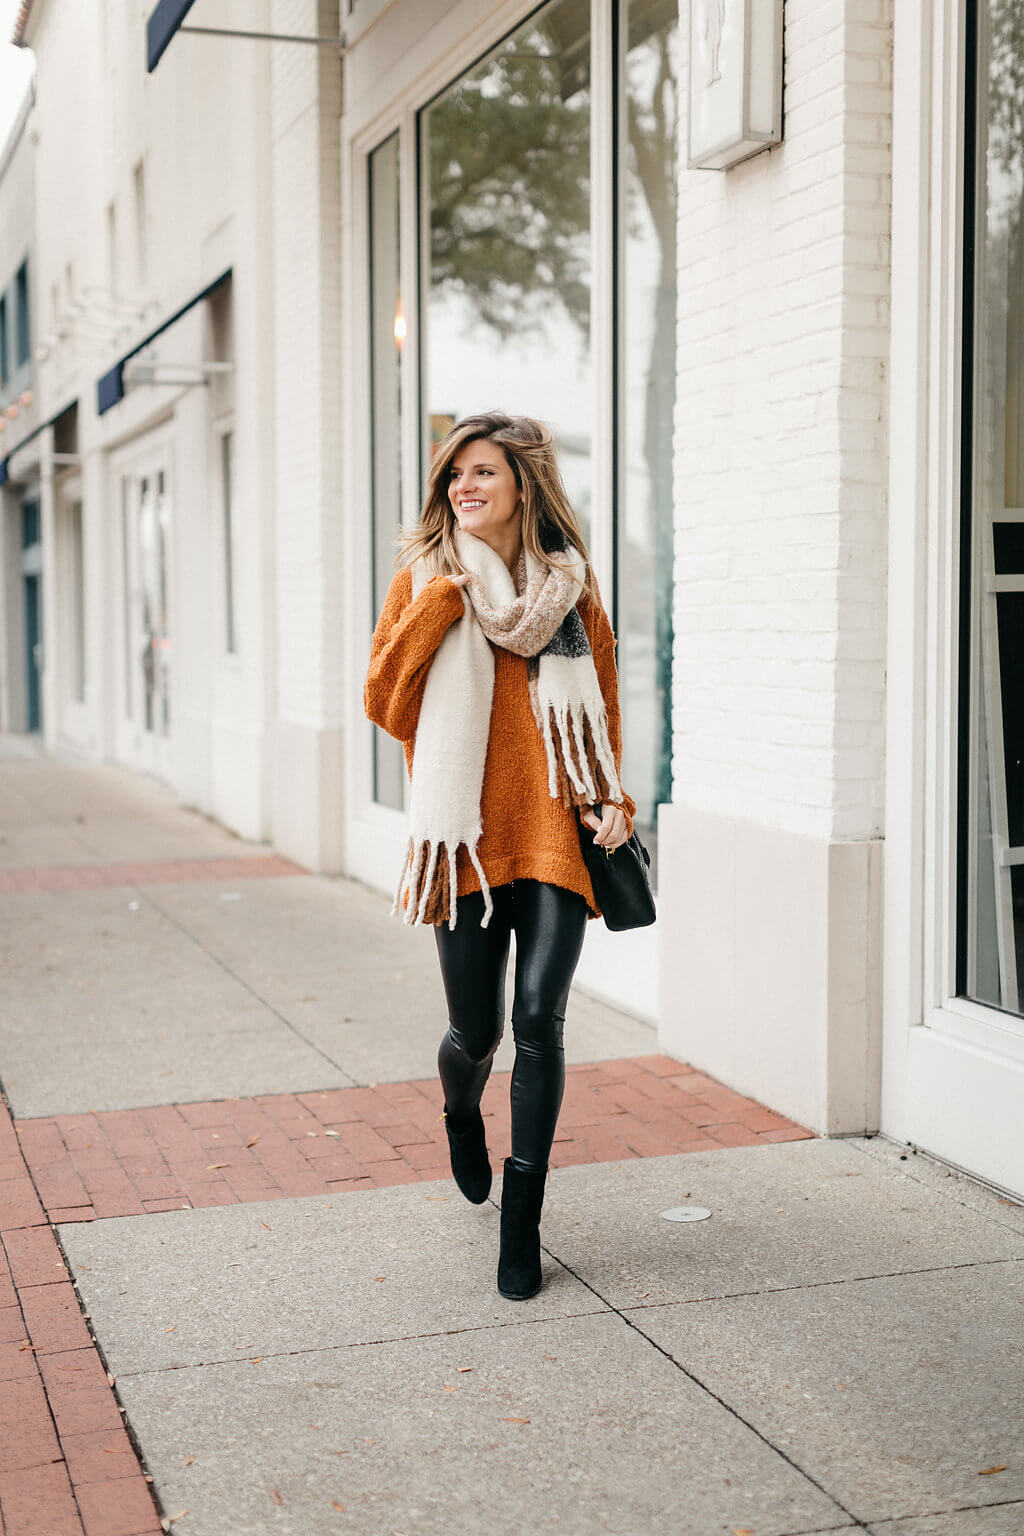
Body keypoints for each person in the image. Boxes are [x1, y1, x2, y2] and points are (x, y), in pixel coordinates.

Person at [363, 411, 636, 1300]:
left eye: (484, 473)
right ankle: (457, 1109)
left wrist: (615, 799)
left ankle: (522, 1234)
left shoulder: (570, 587)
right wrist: (442, 603)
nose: (465, 488)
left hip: (555, 833)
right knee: (477, 1033)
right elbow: (384, 699)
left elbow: (604, 707)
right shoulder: (426, 580)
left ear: (524, 483)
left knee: (540, 1025)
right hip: (466, 846)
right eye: (455, 477)